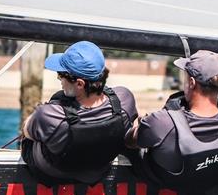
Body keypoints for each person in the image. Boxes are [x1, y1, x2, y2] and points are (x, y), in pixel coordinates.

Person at [126, 50, 218, 189]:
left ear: (191, 82)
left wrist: (143, 125)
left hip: (169, 183)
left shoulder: (162, 122)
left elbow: (130, 142)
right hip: (213, 182)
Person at [21, 41, 137, 184]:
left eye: (60, 75)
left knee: (29, 138)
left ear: (80, 84)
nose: (60, 80)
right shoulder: (124, 99)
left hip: (54, 173)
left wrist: (44, 111)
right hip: (98, 171)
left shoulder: (49, 115)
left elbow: (26, 130)